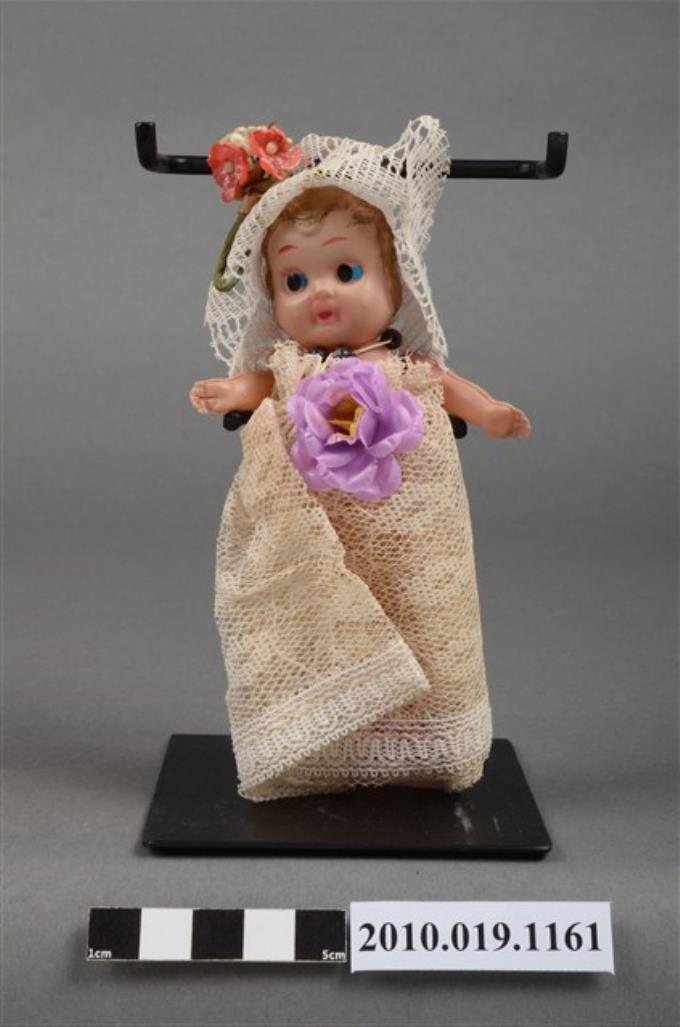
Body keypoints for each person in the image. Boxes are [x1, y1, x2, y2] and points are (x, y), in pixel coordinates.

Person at [189, 117, 530, 802]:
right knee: (322, 624)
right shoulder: (291, 368)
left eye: (346, 271)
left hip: (408, 538)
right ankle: (327, 739)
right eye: (294, 279)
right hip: (318, 534)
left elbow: (448, 387)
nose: (321, 292)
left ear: (394, 280)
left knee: (420, 614)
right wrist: (234, 388)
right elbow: (261, 384)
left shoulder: (406, 366)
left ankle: (428, 740)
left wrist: (490, 413)